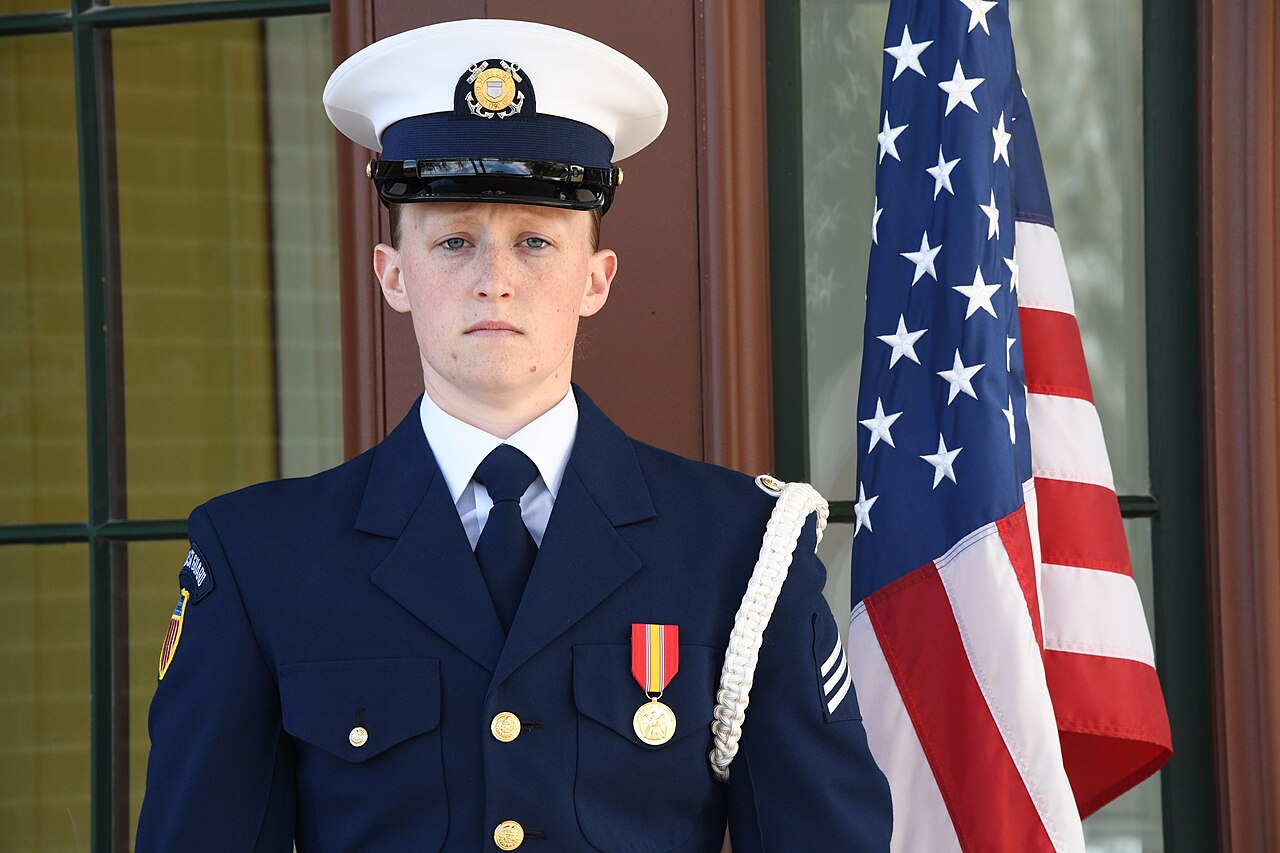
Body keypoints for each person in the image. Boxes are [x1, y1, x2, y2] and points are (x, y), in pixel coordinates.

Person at [136, 18, 891, 852]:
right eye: (454, 241)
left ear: (595, 280)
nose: (494, 280)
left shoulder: (737, 552)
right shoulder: (261, 561)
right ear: (393, 275)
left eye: (535, 241)